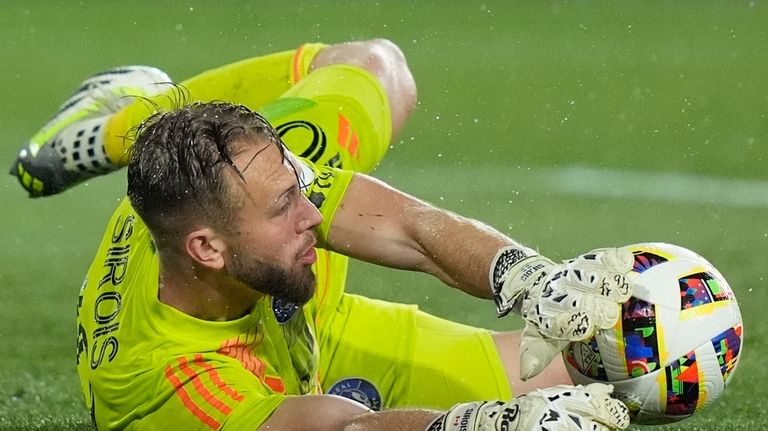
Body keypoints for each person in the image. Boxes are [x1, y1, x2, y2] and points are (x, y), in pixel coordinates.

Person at [12, 40, 633, 430]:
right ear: (207, 249)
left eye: (301, 188)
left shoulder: (251, 182)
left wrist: (532, 279)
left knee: (374, 69)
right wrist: (482, 425)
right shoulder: (163, 385)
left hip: (303, 316)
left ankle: (108, 130)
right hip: (274, 387)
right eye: (287, 205)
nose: (313, 215)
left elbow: (412, 228)